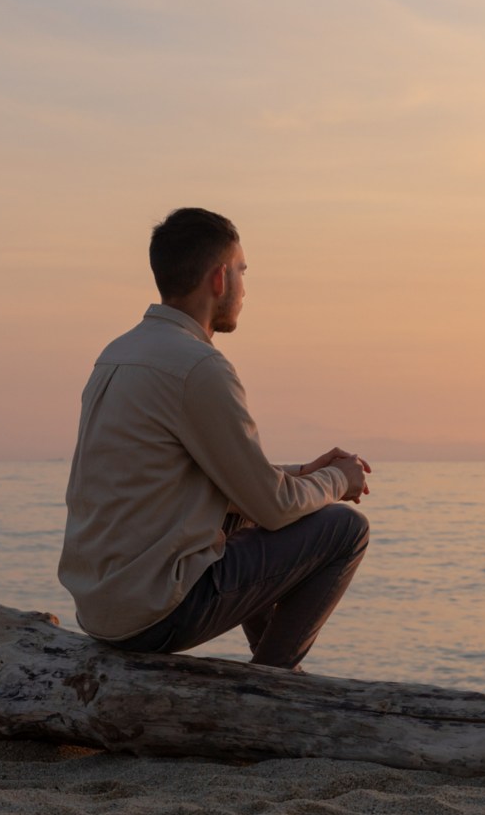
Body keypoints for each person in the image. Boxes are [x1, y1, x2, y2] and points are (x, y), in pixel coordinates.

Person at [58, 207, 370, 670]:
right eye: (243, 270)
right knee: (345, 529)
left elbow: (193, 477)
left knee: (245, 517)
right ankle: (271, 687)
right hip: (156, 614)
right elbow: (272, 506)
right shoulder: (198, 368)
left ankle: (272, 673)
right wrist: (336, 481)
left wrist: (302, 473)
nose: (246, 286)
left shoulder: (118, 354)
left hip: (101, 609)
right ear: (220, 278)